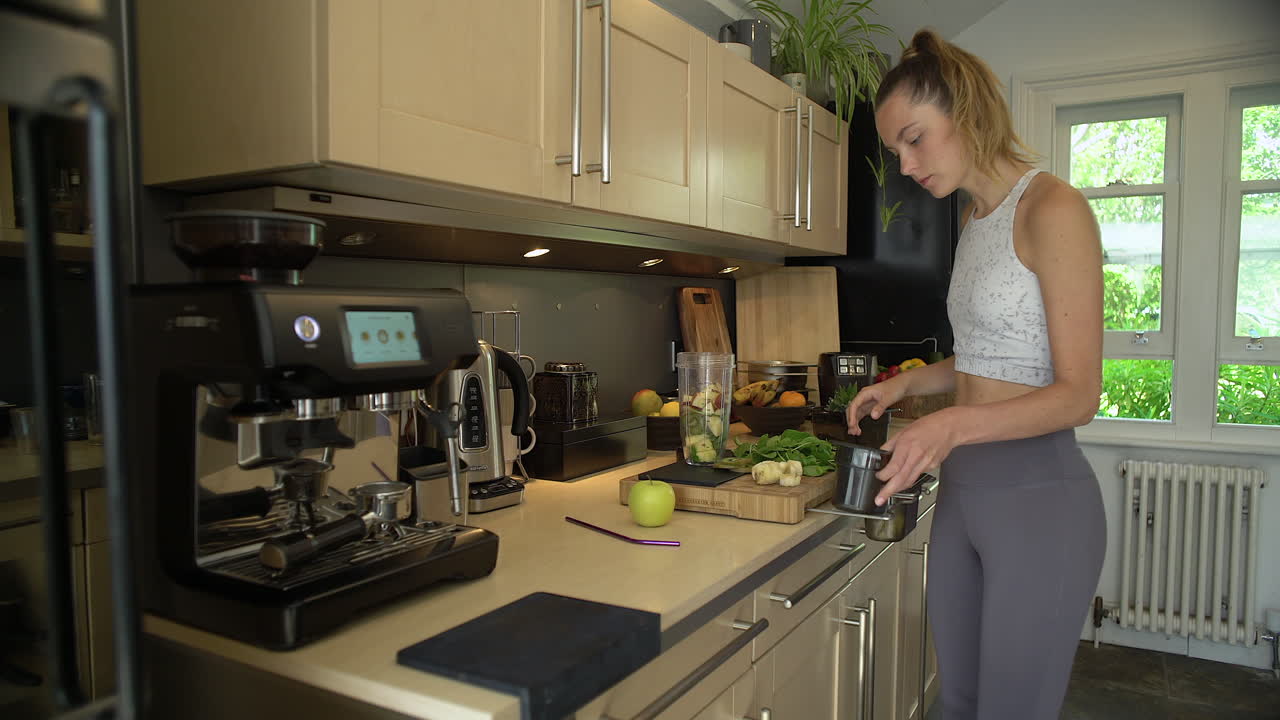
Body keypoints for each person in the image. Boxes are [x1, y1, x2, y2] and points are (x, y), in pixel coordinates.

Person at [844, 29, 1107, 720]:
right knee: (957, 702)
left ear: (964, 111)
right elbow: (991, 357)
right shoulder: (974, 218)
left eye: (914, 138)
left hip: (1039, 501)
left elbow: (1080, 393)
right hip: (965, 498)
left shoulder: (1054, 209)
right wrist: (905, 385)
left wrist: (953, 422)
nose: (904, 163)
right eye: (897, 148)